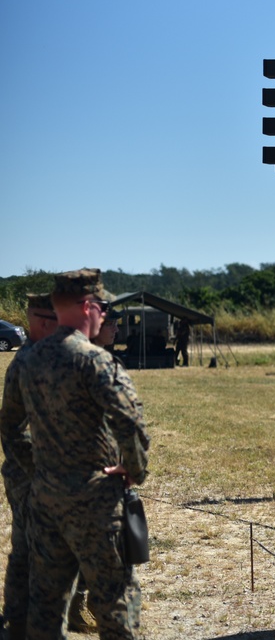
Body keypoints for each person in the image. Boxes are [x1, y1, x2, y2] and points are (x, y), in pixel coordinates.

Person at [0, 268, 150, 638]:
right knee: (115, 601)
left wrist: (40, 470)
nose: (104, 313)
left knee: (46, 606)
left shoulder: (28, 359)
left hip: (45, 501)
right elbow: (129, 424)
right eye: (101, 306)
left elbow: (10, 427)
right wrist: (132, 470)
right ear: (86, 307)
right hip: (95, 502)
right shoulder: (95, 360)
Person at [0, 293, 59, 639]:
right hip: (27, 476)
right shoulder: (25, 362)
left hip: (44, 474)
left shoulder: (48, 357)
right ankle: (17, 622)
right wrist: (40, 470)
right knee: (25, 551)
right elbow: (12, 429)